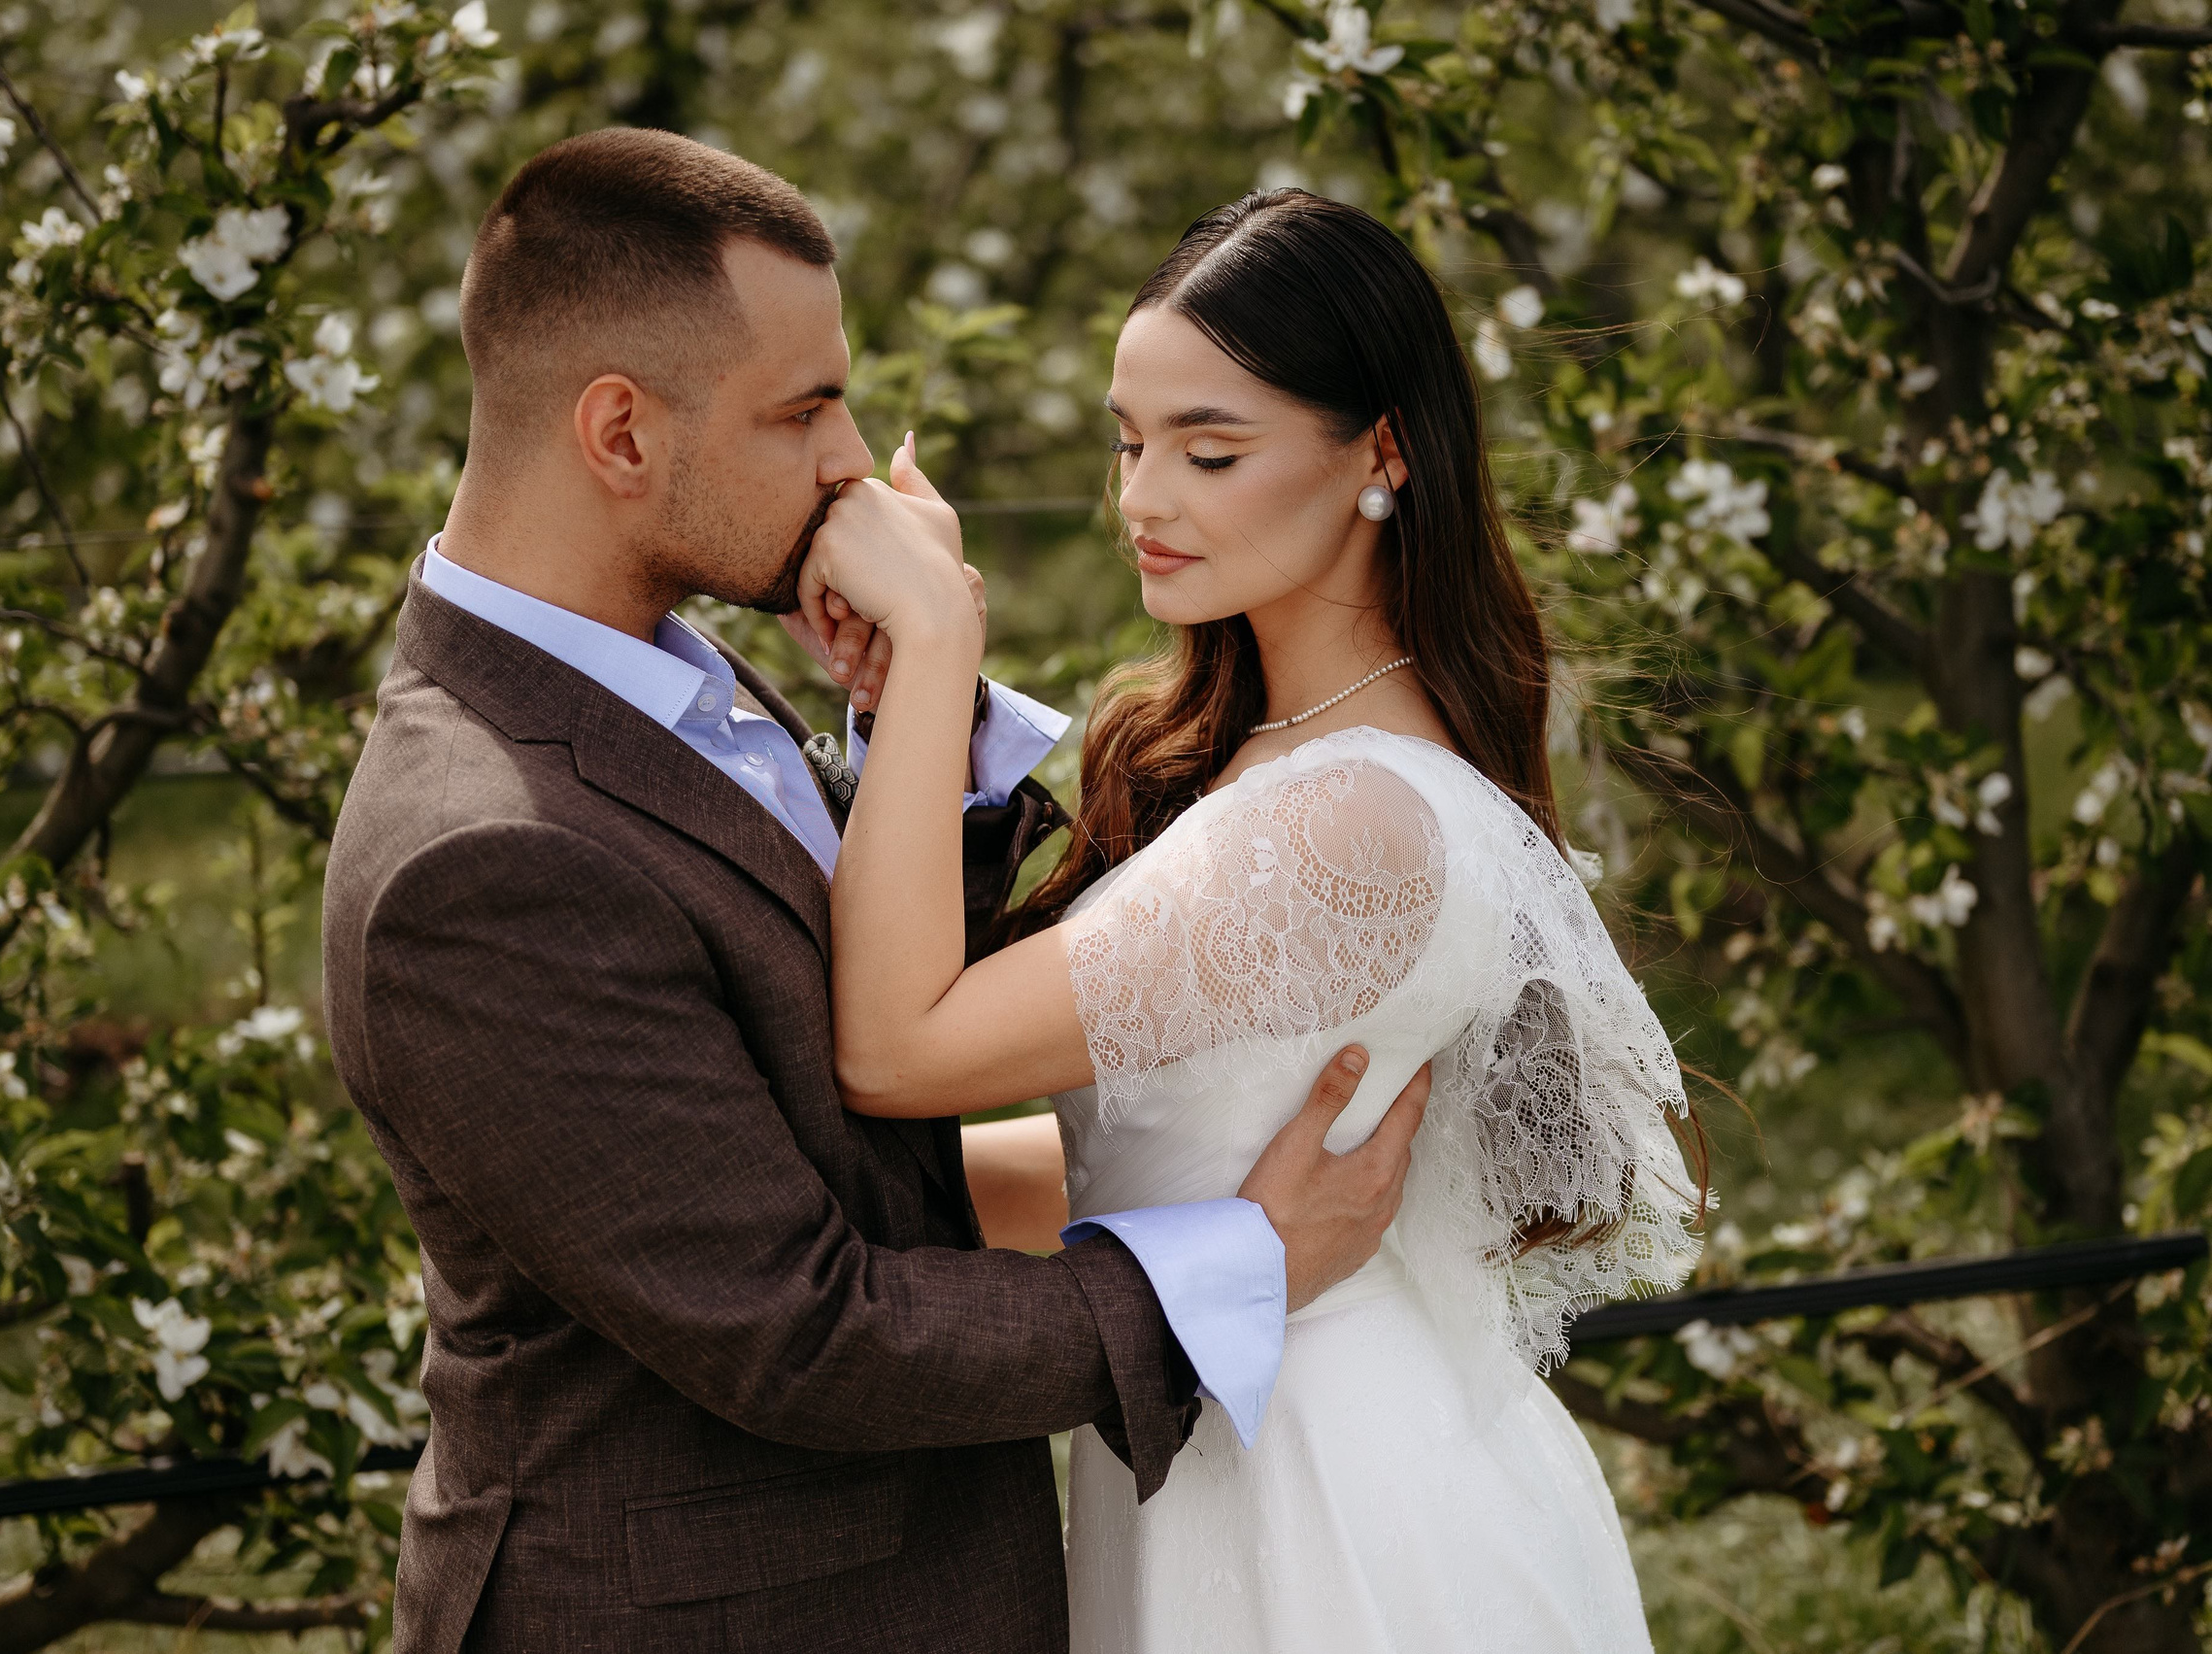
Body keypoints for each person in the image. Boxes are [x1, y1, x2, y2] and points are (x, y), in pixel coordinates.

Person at [322, 133, 1436, 1654]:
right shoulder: (482, 856)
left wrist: (928, 709)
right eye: (805, 410)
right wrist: (1246, 1262)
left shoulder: (665, 673)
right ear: (622, 434)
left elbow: (841, 1063)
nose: (854, 461)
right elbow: (806, 1331)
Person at [801, 187, 1706, 1652]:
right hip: (1226, 1439)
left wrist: (934, 646)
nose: (1143, 499)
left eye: (1210, 452)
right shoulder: (1276, 763)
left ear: (1383, 455)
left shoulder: (1346, 822)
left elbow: (901, 1049)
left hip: (1328, 1504)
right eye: (1130, 439)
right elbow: (1144, 1155)